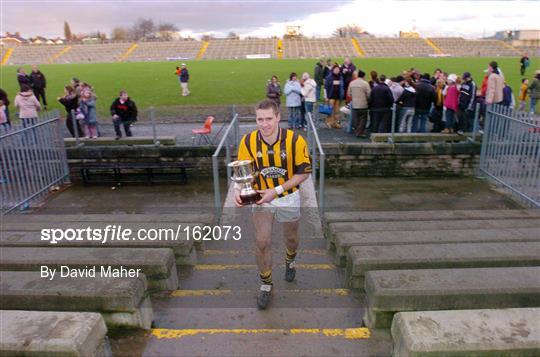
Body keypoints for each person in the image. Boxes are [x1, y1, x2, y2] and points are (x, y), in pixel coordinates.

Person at [234, 99, 312, 310]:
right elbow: (242, 172)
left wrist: (276, 191)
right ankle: (266, 284)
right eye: (260, 119)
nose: (264, 124)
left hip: (287, 196)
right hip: (261, 197)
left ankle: (290, 259)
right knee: (261, 241)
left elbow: (303, 173)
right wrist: (238, 191)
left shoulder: (295, 140)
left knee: (291, 238)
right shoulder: (248, 141)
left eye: (269, 118)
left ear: (278, 117)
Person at [347, 70, 371, 136]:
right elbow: (369, 94)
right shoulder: (365, 83)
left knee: (356, 119)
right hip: (363, 104)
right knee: (363, 119)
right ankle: (360, 132)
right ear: (363, 76)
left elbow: (349, 93)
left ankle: (357, 131)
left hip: (354, 104)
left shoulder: (352, 83)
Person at [324, 65, 344, 129]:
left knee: (337, 112)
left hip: (338, 97)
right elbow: (325, 87)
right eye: (336, 69)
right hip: (331, 97)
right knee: (329, 111)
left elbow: (342, 87)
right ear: (333, 70)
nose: (337, 70)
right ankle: (329, 123)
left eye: (338, 69)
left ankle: (337, 124)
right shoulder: (329, 77)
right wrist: (326, 96)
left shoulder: (340, 77)